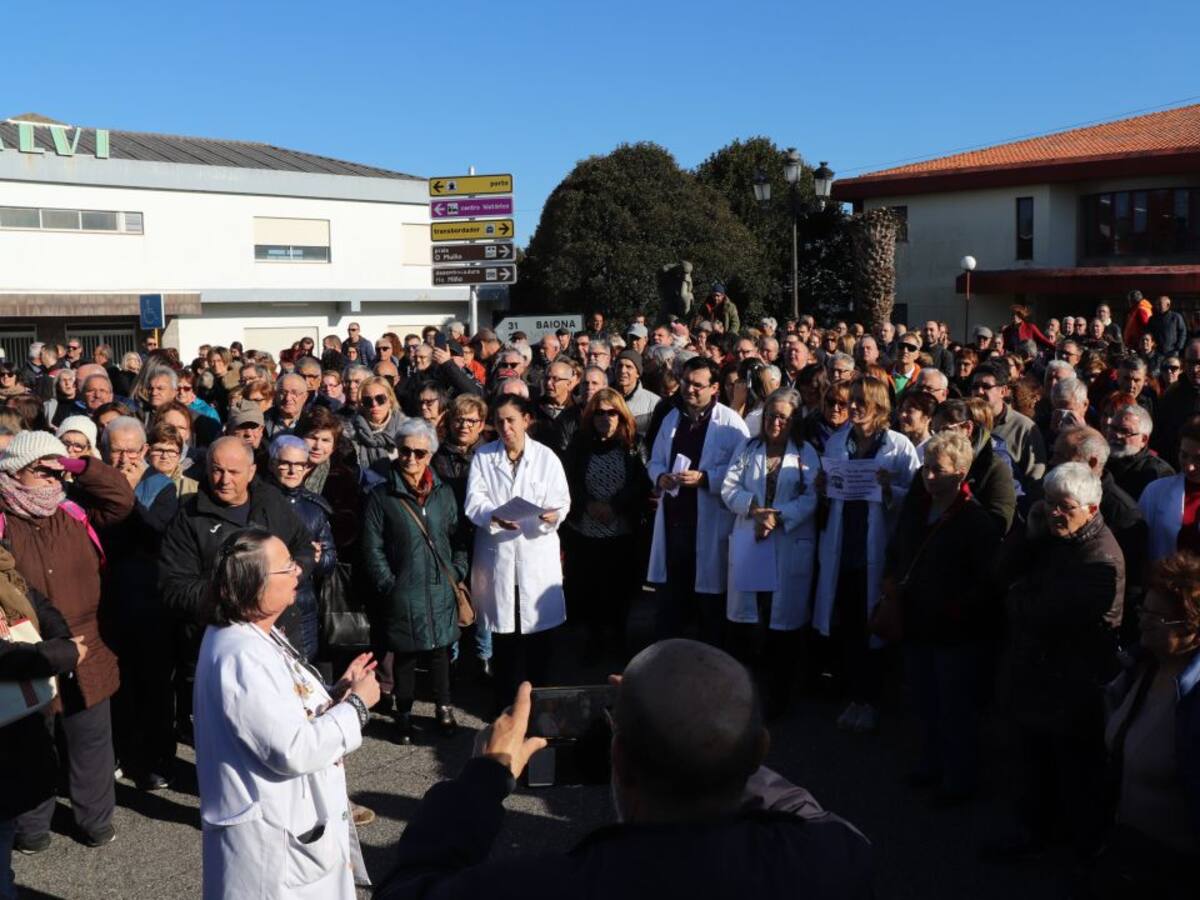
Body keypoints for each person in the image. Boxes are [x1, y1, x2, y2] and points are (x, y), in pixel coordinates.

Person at [374, 640, 873, 900]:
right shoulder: (831, 857)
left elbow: (408, 889)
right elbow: (804, 811)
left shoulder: (547, 888)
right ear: (759, 751)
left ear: (618, 759)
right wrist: (705, 726)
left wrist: (485, 776)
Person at [193, 529, 380, 900]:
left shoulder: (257, 634)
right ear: (253, 585)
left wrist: (335, 695)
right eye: (287, 568)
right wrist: (357, 707)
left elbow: (278, 711)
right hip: (273, 841)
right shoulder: (241, 654)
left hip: (290, 824)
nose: (298, 572)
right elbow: (291, 748)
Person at [0, 430, 134, 852]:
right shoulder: (4, 518)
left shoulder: (75, 512)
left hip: (89, 643)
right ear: (13, 471)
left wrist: (78, 465)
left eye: (57, 469)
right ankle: (31, 828)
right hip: (30, 649)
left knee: (91, 740)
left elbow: (121, 501)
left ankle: (95, 821)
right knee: (32, 745)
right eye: (40, 468)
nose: (50, 477)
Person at [990, 462, 1124, 862]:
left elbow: (1042, 613)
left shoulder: (1101, 558)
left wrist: (1019, 595)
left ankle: (1078, 857)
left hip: (1070, 684)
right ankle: (1034, 835)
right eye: (1049, 503)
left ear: (1091, 509)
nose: (1054, 513)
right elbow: (1000, 577)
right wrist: (1027, 536)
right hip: (1039, 674)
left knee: (1073, 776)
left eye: (1064, 506)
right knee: (1034, 765)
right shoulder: (1053, 536)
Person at [885, 430, 999, 804]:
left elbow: (985, 581)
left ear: (961, 473)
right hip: (917, 620)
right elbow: (899, 547)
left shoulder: (975, 520)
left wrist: (956, 609)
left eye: (938, 470)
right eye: (925, 469)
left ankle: (959, 777)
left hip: (953, 630)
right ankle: (931, 763)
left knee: (955, 706)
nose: (929, 477)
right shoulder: (918, 505)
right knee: (925, 699)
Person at [814, 376, 920, 734]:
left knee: (874, 625)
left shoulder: (899, 446)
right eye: (851, 401)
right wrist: (822, 487)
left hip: (878, 548)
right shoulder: (838, 441)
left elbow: (918, 498)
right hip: (844, 547)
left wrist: (892, 487)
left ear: (879, 407)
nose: (854, 408)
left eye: (862, 402)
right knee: (848, 626)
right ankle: (855, 697)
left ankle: (872, 701)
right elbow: (829, 491)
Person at [1091, 552, 1200, 897]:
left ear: (1192, 628)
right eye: (1144, 611)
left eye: (1156, 617)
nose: (1142, 623)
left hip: (1177, 867)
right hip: (1126, 846)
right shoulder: (1141, 667)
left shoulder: (1194, 698)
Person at [362, 419, 467, 743]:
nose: (410, 458)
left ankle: (444, 707)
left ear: (430, 454)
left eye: (419, 453)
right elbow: (372, 544)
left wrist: (458, 570)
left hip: (438, 586)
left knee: (440, 652)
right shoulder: (382, 495)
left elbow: (458, 536)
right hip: (403, 588)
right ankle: (404, 713)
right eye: (405, 451)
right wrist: (387, 583)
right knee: (405, 655)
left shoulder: (444, 492)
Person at [464, 395, 571, 708]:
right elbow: (474, 501)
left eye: (511, 420)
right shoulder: (484, 456)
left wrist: (554, 515)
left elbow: (562, 500)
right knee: (505, 638)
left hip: (536, 556)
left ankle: (540, 705)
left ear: (527, 420)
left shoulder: (546, 457)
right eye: (499, 421)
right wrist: (492, 516)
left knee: (539, 638)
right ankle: (505, 706)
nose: (505, 427)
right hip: (498, 555)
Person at [720, 388, 819, 717]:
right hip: (752, 541)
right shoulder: (748, 448)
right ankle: (741, 698)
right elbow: (729, 487)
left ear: (794, 421)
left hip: (787, 542)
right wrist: (754, 509)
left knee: (782, 629)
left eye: (783, 417)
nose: (776, 423)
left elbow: (811, 497)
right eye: (771, 416)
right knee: (746, 624)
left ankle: (778, 700)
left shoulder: (805, 453)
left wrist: (779, 516)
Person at [0, 545, 86, 899]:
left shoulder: (5, 566)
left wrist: (61, 638)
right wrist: (58, 655)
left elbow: (37, 602)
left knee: (5, 824)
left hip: (16, 719)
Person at [647, 357, 750, 646]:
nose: (689, 389)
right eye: (686, 382)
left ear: (714, 387)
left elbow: (740, 474)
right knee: (671, 602)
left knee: (710, 606)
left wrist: (706, 479)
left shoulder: (731, 424)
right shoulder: (672, 418)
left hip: (710, 524)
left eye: (697, 385)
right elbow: (654, 461)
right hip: (675, 523)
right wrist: (661, 477)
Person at [562, 388, 652, 661]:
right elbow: (569, 480)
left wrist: (615, 506)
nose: (605, 418)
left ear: (621, 414)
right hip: (586, 528)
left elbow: (642, 482)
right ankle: (594, 639)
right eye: (599, 413)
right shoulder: (580, 442)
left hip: (621, 528)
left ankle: (619, 639)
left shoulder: (635, 444)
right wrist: (589, 504)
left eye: (611, 412)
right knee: (590, 587)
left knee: (619, 589)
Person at [268, 436, 335, 662]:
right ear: (273, 464)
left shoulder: (315, 508)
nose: (292, 470)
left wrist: (317, 558)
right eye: (285, 463)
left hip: (303, 605)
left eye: (299, 465)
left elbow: (330, 559)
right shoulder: (258, 501)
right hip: (264, 604)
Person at [1141, 414, 1200, 563]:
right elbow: (1141, 546)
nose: (1189, 466)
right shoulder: (1156, 491)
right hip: (1165, 583)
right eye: (1184, 455)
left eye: (1198, 458)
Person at [1106, 403, 1173, 501]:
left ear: (1144, 440)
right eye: (1113, 428)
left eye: (1125, 431)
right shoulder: (1101, 461)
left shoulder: (1158, 473)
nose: (1116, 435)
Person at [348, 375, 407, 473]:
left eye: (380, 399)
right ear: (361, 404)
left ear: (390, 400)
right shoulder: (350, 431)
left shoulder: (407, 430)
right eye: (367, 401)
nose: (374, 404)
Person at [896, 389, 937, 461]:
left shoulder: (935, 448)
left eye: (909, 411)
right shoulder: (897, 442)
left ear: (927, 416)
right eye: (901, 410)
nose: (902, 415)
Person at [1148, 294, 1187, 359]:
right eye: (1157, 304)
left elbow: (1183, 332)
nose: (1157, 306)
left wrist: (1179, 347)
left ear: (1168, 305)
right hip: (1157, 353)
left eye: (1160, 304)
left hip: (1172, 352)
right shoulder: (1152, 319)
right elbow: (1148, 333)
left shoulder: (1176, 317)